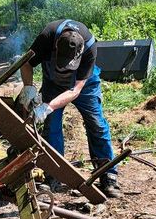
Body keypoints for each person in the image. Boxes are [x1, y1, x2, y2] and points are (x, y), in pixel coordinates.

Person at [17, 18, 119, 198]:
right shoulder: (47, 36)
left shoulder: (89, 46)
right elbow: (26, 63)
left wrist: (47, 107)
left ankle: (108, 175)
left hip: (84, 85)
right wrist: (29, 89)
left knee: (97, 124)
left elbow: (75, 90)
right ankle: (53, 176)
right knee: (52, 127)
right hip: (53, 84)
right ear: (56, 46)